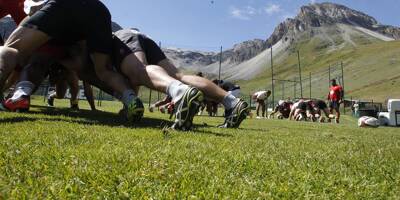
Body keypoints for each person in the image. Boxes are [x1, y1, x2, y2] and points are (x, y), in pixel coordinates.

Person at [0, 0, 144, 122]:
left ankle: (20, 95)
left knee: (15, 48)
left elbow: (33, 8)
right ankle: (129, 98)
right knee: (102, 71)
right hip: (97, 11)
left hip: (63, 15)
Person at [114, 29, 250, 128]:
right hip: (142, 36)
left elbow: (132, 74)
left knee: (139, 69)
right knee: (179, 76)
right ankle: (232, 102)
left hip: (125, 37)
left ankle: (181, 92)